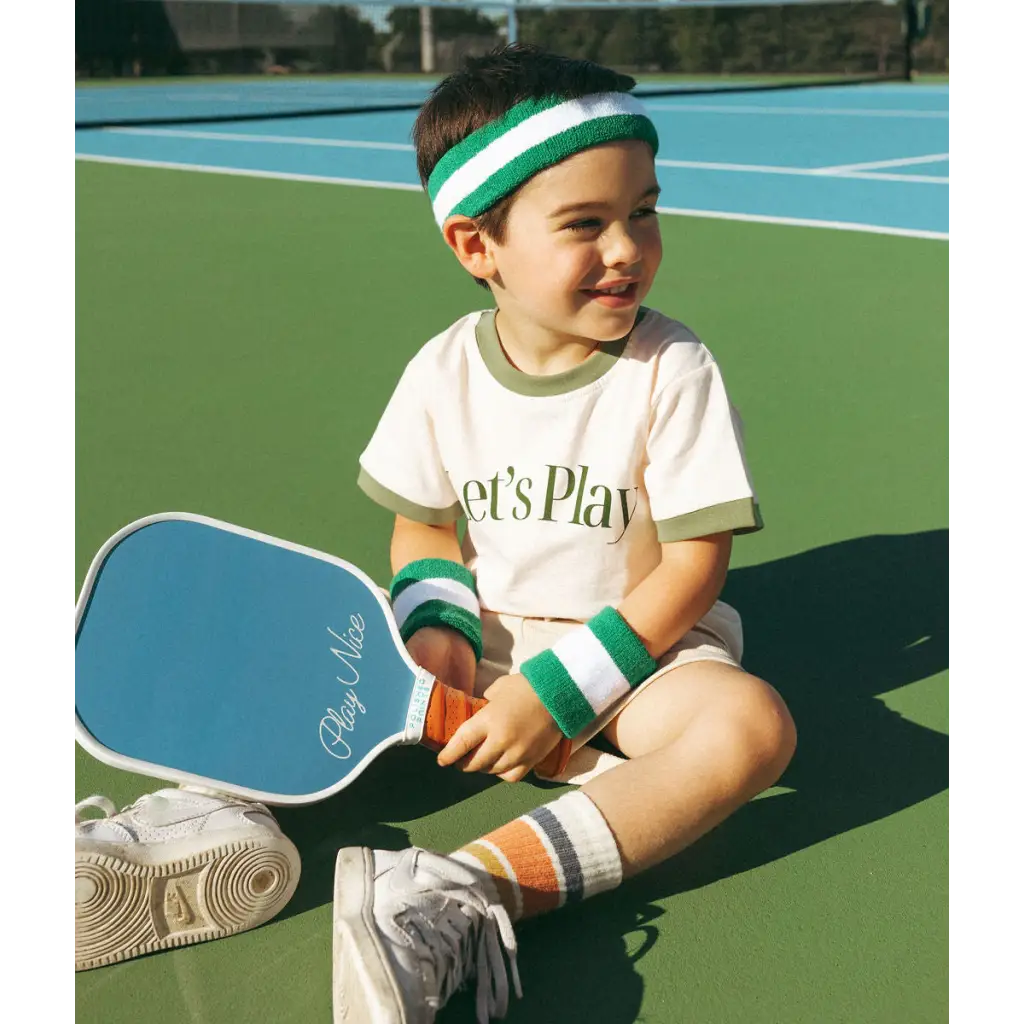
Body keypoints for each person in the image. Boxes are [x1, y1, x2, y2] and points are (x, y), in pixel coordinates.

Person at [331, 43, 796, 1024]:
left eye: (643, 211)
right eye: (586, 224)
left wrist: (563, 693)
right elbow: (422, 528)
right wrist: (440, 639)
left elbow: (694, 565)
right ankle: (210, 826)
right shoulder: (442, 369)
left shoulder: (671, 367)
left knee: (750, 727)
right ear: (475, 246)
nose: (626, 248)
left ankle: (449, 896)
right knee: (309, 653)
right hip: (486, 639)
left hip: (632, 656)